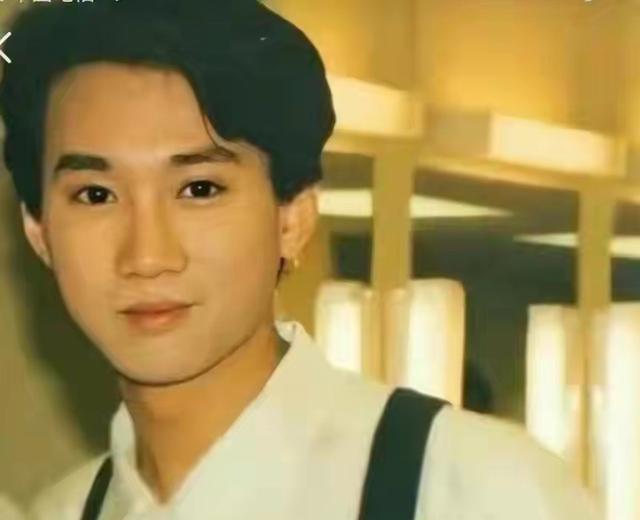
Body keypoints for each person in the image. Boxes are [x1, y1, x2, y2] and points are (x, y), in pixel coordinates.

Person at [0, 1, 599, 519]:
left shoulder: (470, 490)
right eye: (95, 195)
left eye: (199, 189)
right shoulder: (60, 511)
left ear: (292, 218)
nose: (147, 255)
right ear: (39, 232)